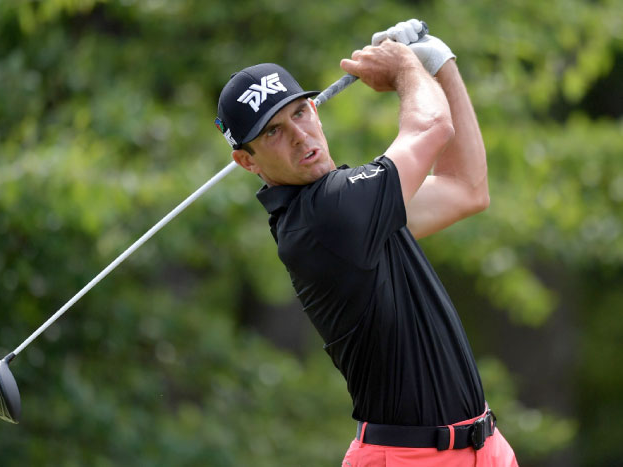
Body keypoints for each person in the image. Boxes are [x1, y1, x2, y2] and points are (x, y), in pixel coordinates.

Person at [214, 19, 518, 467]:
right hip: (408, 458)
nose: (299, 136)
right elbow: (431, 127)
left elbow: (465, 187)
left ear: (316, 110)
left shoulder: (352, 204)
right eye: (272, 132)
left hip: (485, 448)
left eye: (299, 112)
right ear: (246, 161)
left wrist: (440, 65)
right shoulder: (327, 217)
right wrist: (405, 70)